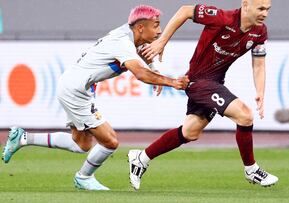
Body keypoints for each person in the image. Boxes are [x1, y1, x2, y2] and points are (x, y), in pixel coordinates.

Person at [2, 5, 189, 191]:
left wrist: (154, 70)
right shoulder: (122, 42)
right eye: (156, 25)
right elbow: (139, 73)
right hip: (75, 90)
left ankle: (23, 138)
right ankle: (84, 177)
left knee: (81, 143)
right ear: (141, 27)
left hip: (76, 85)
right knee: (110, 141)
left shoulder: (128, 36)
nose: (160, 30)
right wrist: (171, 82)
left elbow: (141, 54)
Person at [128, 0, 278, 190]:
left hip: (214, 82)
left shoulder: (259, 32)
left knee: (190, 132)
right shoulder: (221, 18)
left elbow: (259, 64)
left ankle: (141, 158)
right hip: (199, 81)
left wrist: (260, 92)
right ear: (246, 5)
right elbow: (184, 11)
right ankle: (251, 169)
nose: (265, 14)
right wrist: (161, 42)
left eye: (268, 9)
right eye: (261, 8)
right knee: (245, 115)